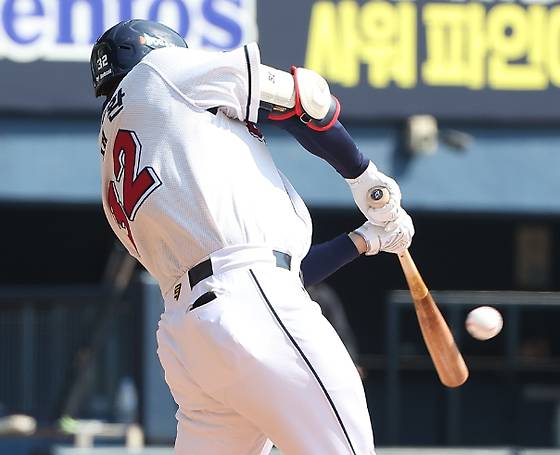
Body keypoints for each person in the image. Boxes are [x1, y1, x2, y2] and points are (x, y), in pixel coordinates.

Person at [90, 20, 414, 455]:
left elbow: (273, 272)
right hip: (248, 301)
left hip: (190, 340)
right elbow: (304, 97)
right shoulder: (162, 70)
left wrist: (364, 239)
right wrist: (365, 179)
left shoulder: (113, 152)